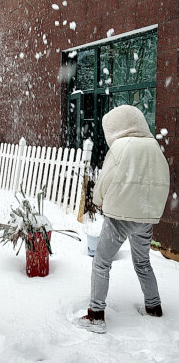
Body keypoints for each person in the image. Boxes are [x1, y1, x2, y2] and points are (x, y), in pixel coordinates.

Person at [75, 105, 170, 334]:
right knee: (143, 263)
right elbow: (163, 178)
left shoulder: (120, 147)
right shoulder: (154, 147)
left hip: (119, 217)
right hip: (145, 218)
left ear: (116, 127)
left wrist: (98, 200)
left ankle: (96, 315)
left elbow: (105, 180)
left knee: (101, 262)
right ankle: (153, 306)